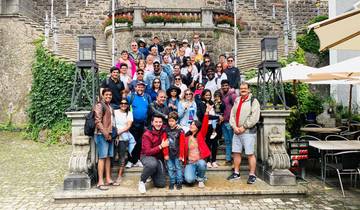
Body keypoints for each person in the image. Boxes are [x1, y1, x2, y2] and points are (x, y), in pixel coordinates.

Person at [227, 82, 260, 184]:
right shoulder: (237, 100)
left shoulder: (254, 101)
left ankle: (252, 175)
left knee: (250, 153)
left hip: (248, 132)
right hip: (236, 131)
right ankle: (236, 173)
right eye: (241, 89)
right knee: (236, 153)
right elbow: (232, 114)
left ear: (249, 89)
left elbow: (254, 117)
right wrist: (234, 126)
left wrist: (244, 127)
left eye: (245, 88)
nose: (243, 90)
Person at [183, 104, 212, 188]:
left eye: (193, 124)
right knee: (189, 180)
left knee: (202, 163)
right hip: (190, 163)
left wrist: (206, 113)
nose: (191, 125)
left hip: (199, 161)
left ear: (198, 127)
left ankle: (200, 179)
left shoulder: (200, 135)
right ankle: (194, 175)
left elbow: (205, 125)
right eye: (191, 124)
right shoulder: (186, 137)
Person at [138, 114, 168, 194]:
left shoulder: (164, 130)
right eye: (156, 122)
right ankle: (142, 181)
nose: (158, 124)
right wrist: (161, 146)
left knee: (161, 184)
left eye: (160, 122)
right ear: (152, 123)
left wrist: (178, 127)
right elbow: (148, 151)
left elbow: (172, 126)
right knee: (152, 164)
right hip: (147, 156)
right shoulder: (147, 134)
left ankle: (151, 173)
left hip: (158, 158)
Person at [126, 82, 151, 168]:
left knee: (140, 143)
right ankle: (130, 160)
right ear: (135, 88)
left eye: (142, 87)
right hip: (133, 124)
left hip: (143, 124)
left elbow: (150, 109)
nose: (140, 88)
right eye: (138, 87)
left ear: (144, 88)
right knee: (132, 142)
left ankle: (137, 160)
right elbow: (125, 107)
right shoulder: (131, 97)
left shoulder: (147, 97)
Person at [94, 88, 115, 190]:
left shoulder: (109, 106)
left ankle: (108, 178)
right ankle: (100, 182)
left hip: (109, 135)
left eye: (110, 95)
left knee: (108, 157)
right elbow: (98, 121)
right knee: (102, 157)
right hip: (101, 135)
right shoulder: (99, 105)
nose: (108, 96)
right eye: (106, 95)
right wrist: (106, 133)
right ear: (102, 95)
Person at [113, 99, 135, 185]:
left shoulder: (129, 113)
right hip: (114, 136)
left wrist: (119, 133)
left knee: (122, 157)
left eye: (125, 103)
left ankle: (119, 176)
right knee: (113, 155)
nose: (123, 105)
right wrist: (116, 133)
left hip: (123, 137)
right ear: (119, 104)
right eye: (121, 103)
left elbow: (128, 126)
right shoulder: (115, 112)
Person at [163, 112, 185, 190]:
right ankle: (172, 182)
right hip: (169, 153)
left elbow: (182, 143)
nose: (170, 123)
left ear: (176, 121)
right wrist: (165, 154)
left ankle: (179, 182)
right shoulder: (166, 130)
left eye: (172, 121)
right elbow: (164, 142)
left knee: (178, 168)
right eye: (169, 121)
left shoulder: (180, 130)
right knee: (170, 168)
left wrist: (181, 155)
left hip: (177, 154)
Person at [220, 79, 238, 165]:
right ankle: (228, 159)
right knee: (227, 141)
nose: (224, 87)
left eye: (226, 85)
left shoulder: (233, 96)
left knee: (232, 141)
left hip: (230, 122)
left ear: (229, 86)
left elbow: (236, 109)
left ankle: (235, 160)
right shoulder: (222, 95)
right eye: (223, 85)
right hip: (223, 122)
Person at [207, 90, 225, 168]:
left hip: (217, 124)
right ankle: (208, 160)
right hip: (209, 125)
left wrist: (219, 103)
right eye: (216, 96)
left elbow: (221, 109)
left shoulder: (219, 103)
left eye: (218, 96)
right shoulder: (211, 103)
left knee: (214, 144)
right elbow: (208, 115)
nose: (217, 98)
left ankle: (213, 160)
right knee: (208, 143)